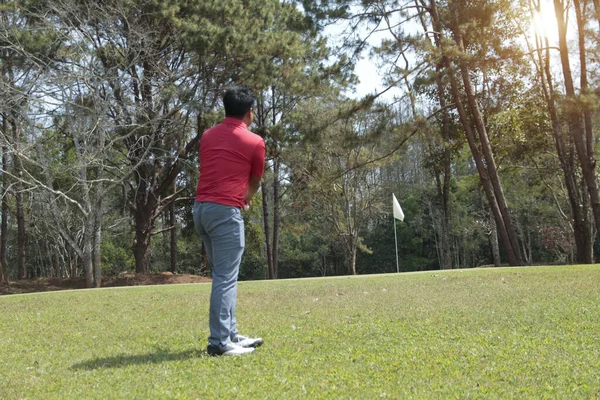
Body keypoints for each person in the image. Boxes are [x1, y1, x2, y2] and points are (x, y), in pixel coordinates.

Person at [193, 86, 265, 356]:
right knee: (225, 278)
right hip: (225, 213)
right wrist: (245, 197)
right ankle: (220, 343)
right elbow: (255, 179)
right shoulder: (255, 142)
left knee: (224, 277)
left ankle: (231, 334)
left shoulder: (208, 135)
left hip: (201, 210)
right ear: (249, 112)